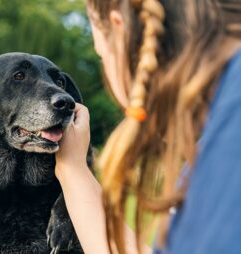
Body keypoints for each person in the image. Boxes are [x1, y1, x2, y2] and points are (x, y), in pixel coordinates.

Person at [55, 0, 241, 253]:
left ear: (119, 28)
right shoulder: (213, 147)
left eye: (101, 55)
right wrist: (72, 169)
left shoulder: (227, 148)